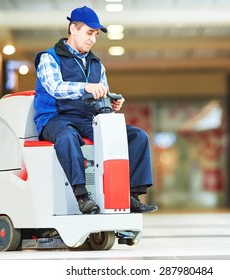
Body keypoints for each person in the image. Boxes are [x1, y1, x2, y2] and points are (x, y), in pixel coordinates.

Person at [33, 6, 158, 214]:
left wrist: (111, 102)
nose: (93, 39)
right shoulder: (49, 58)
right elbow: (54, 87)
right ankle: (82, 196)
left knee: (137, 136)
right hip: (55, 118)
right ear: (73, 29)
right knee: (67, 136)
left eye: (96, 35)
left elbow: (102, 93)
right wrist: (85, 87)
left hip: (88, 119)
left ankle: (131, 195)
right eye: (89, 33)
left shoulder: (97, 64)